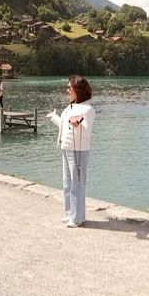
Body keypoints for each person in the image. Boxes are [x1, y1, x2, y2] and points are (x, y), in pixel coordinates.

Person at [47, 75, 95, 227]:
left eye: (70, 87)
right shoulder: (70, 106)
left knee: (77, 183)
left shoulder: (87, 109)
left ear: (78, 90)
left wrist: (78, 122)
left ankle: (77, 218)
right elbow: (64, 124)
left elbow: (83, 125)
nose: (67, 90)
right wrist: (54, 117)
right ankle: (69, 213)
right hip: (66, 148)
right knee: (67, 182)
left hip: (78, 150)